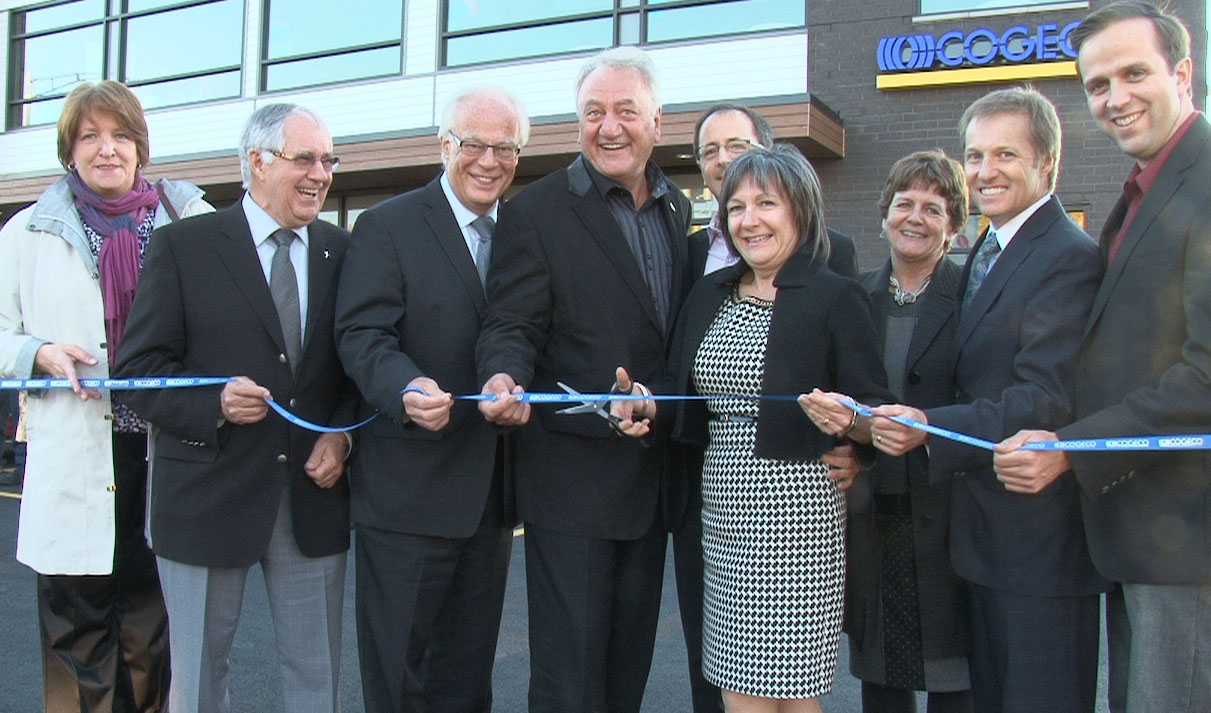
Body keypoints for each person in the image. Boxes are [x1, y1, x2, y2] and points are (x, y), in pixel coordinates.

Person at [844, 87, 1107, 713]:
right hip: (985, 536)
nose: (986, 171)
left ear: (1048, 163)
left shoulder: (1065, 257)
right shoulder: (995, 249)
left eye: (1006, 155)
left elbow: (1045, 398)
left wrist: (928, 427)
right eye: (976, 155)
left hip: (1033, 542)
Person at [993, 4, 1211, 712]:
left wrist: (1072, 447)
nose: (1114, 98)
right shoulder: (1143, 189)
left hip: (1186, 544)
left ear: (1183, 73)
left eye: (1133, 73)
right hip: (1141, 536)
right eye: (1096, 84)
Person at [114, 103, 356, 713]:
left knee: (317, 678)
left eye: (328, 160)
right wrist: (214, 401)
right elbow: (136, 375)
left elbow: (359, 361)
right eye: (305, 158)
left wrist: (344, 436)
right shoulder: (183, 248)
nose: (321, 174)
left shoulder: (342, 250)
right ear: (257, 161)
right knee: (196, 682)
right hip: (205, 497)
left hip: (310, 497)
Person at [475, 46, 691, 713]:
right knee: (569, 681)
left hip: (652, 479)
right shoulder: (535, 211)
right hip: (570, 484)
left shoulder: (677, 209)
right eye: (593, 112)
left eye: (626, 111)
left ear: (657, 121)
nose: (609, 127)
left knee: (627, 671)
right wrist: (502, 375)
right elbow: (510, 320)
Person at [643, 144, 889, 713]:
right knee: (740, 692)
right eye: (736, 207)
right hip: (724, 511)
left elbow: (877, 408)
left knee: (790, 696)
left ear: (801, 210)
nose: (748, 219)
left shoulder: (834, 296)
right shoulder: (711, 292)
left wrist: (854, 426)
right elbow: (682, 390)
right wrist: (644, 403)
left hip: (797, 518)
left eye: (766, 204)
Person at [0, 80, 212, 713]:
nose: (107, 149)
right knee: (77, 627)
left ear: (141, 147)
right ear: (70, 150)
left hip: (165, 447)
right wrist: (36, 352)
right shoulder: (28, 231)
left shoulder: (189, 219)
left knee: (153, 627)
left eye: (120, 135)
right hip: (76, 447)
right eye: (90, 136)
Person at [333, 86, 528, 713]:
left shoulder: (522, 234)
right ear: (446, 145)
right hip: (407, 492)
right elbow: (362, 334)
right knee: (399, 677)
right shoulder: (387, 225)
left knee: (467, 680)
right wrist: (406, 386)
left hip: (490, 498)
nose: (489, 160)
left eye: (506, 147)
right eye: (474, 144)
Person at [846, 150, 972, 713]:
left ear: (955, 225)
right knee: (883, 682)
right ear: (885, 214)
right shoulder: (853, 297)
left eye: (933, 207)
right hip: (873, 516)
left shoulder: (974, 295)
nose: (915, 217)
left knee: (955, 681)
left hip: (949, 517)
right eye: (904, 204)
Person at [689, 103, 858, 279]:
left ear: (766, 154)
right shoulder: (689, 251)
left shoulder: (833, 249)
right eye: (710, 151)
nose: (723, 159)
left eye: (736, 146)